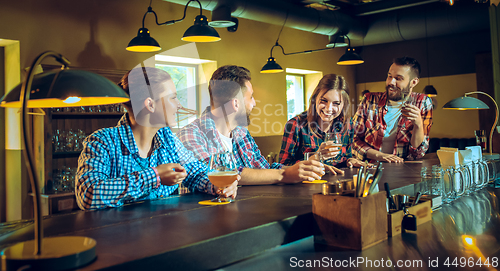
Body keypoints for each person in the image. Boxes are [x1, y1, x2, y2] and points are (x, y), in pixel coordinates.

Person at [75, 67, 239, 210]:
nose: (179, 105)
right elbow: (88, 195)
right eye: (173, 97)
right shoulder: (102, 141)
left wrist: (218, 187)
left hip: (162, 237)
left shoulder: (168, 139)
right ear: (150, 105)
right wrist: (155, 176)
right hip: (118, 240)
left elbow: (195, 173)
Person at [177, 65, 325, 184]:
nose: (254, 103)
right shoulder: (191, 135)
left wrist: (304, 169)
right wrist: (284, 174)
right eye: (251, 97)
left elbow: (263, 169)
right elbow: (217, 174)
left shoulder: (241, 133)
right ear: (236, 103)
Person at [352, 57, 433, 163]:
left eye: (398, 78)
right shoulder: (369, 100)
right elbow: (353, 140)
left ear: (413, 82)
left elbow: (418, 153)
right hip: (371, 168)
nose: (391, 82)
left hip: (403, 171)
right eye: (389, 76)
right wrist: (379, 155)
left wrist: (418, 124)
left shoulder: (423, 102)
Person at [279, 74, 364, 174]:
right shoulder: (295, 125)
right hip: (306, 186)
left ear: (343, 105)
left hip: (337, 184)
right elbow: (282, 167)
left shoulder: (347, 124)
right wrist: (316, 158)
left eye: (336, 103)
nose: (328, 108)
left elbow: (346, 157)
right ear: (315, 99)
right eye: (324, 101)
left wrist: (349, 161)